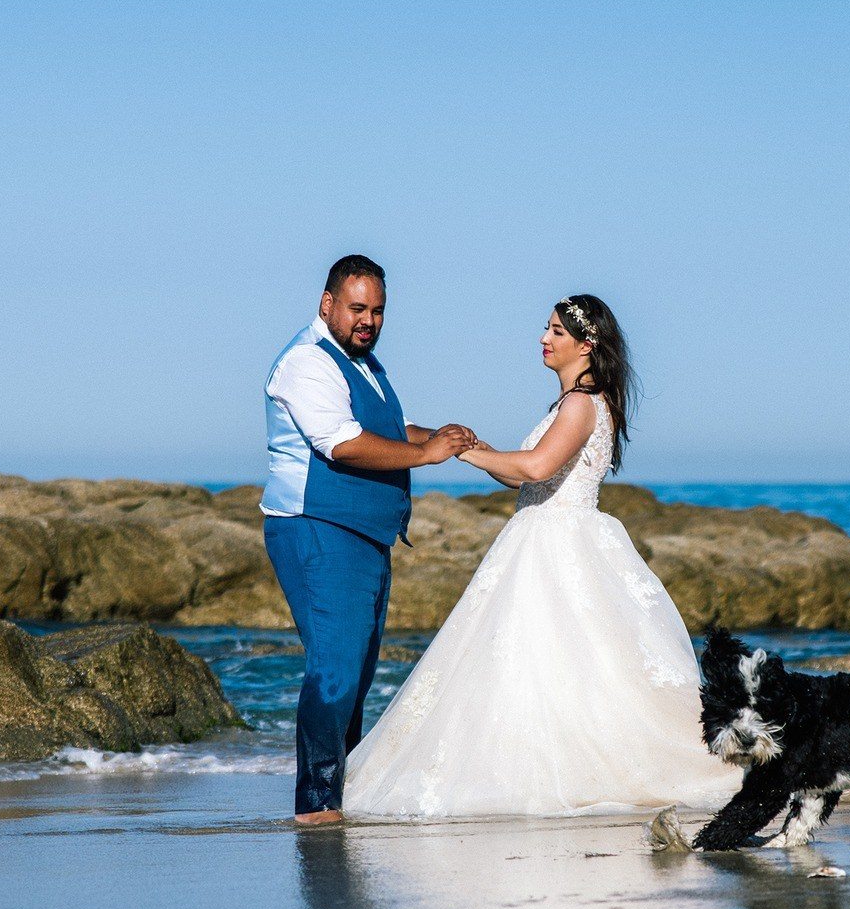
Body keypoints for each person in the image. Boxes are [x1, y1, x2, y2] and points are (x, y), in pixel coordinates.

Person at [343, 295, 740, 817]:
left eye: (556, 331)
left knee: (557, 662)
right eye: (546, 328)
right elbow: (518, 471)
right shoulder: (568, 404)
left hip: (558, 542)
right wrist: (474, 446)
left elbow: (536, 467)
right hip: (541, 535)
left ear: (586, 344)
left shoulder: (581, 403)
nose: (543, 338)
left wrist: (460, 449)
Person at [262, 255, 476, 825]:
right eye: (358, 308)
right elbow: (340, 442)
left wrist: (441, 438)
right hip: (316, 527)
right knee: (333, 668)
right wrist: (426, 455)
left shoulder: (365, 365)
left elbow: (382, 433)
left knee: (355, 674)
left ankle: (338, 795)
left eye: (378, 311)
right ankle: (315, 806)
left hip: (366, 537)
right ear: (327, 303)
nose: (369, 321)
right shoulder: (307, 363)